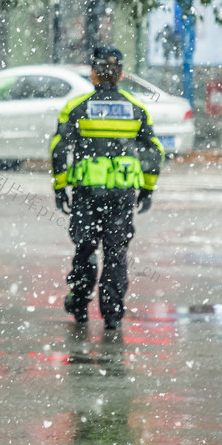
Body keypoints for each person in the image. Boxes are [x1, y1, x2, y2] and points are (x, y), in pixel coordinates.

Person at [50, 46, 164, 331]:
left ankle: (79, 304)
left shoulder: (77, 107)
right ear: (122, 75)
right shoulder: (136, 109)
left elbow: (58, 148)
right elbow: (154, 151)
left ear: (93, 74)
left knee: (85, 249)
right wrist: (147, 189)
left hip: (87, 194)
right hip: (122, 196)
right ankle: (112, 313)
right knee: (116, 253)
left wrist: (60, 187)